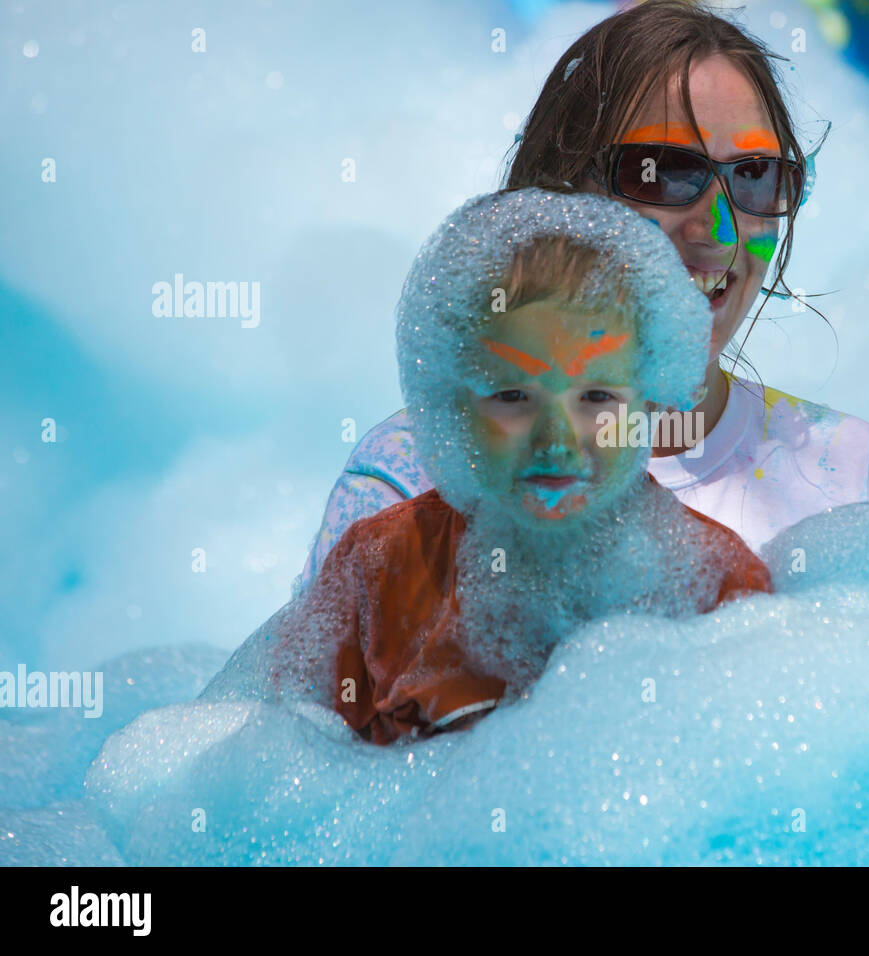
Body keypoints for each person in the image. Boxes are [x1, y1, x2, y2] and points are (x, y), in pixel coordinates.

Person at [293, 0, 869, 598]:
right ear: (558, 193)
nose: (720, 229)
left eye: (755, 175)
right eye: (663, 171)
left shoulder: (854, 476)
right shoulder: (412, 482)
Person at [202, 189, 772, 744]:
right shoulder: (378, 574)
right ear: (454, 408)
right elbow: (288, 768)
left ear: (650, 397)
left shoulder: (716, 586)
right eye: (513, 398)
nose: (556, 441)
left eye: (597, 398)